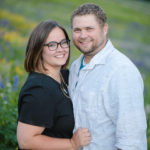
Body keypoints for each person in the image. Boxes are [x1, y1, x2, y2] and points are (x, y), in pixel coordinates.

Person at [69, 3, 147, 150]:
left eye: (89, 29)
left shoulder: (121, 71)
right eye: (77, 30)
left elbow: (131, 141)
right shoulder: (74, 67)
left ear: (104, 29)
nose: (83, 35)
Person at [17, 20, 91, 150]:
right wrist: (72, 144)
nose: (61, 49)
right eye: (52, 45)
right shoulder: (39, 89)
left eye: (63, 42)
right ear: (38, 49)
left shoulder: (64, 76)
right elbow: (26, 141)